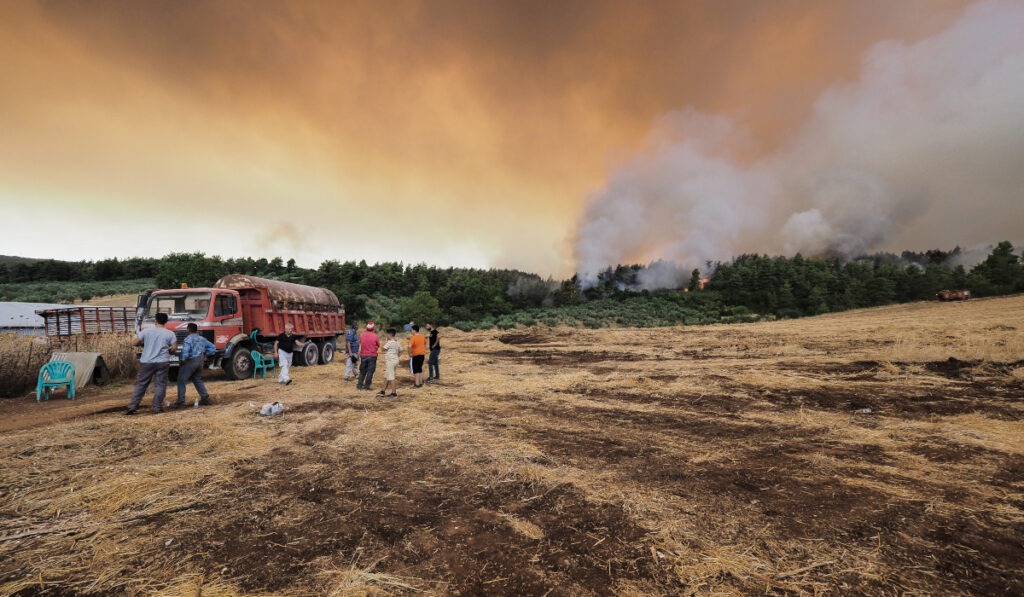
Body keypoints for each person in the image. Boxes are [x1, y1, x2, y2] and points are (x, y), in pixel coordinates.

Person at [127, 312, 177, 415]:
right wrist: (170, 351)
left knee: (141, 384)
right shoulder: (170, 333)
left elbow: (135, 343)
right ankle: (157, 407)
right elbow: (174, 348)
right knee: (160, 385)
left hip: (147, 362)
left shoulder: (146, 331)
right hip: (162, 362)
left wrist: (144, 343)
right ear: (166, 322)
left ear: (155, 321)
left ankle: (132, 406)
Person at [175, 323, 215, 408]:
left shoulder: (188, 339)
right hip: (200, 360)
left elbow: (186, 351)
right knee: (197, 379)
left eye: (187, 329)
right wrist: (206, 354)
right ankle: (205, 398)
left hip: (191, 360)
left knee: (181, 380)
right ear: (196, 330)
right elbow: (212, 347)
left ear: (188, 329)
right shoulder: (202, 338)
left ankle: (180, 402)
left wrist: (182, 360)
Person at [357, 321, 380, 390]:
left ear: (366, 328)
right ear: (373, 328)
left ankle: (359, 385)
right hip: (372, 355)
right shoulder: (375, 336)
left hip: (363, 355)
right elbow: (378, 345)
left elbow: (360, 344)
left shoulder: (361, 335)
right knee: (370, 371)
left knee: (362, 371)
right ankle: (367, 386)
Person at [378, 328, 401, 398]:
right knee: (387, 375)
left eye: (386, 334)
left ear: (389, 335)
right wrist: (397, 356)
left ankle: (394, 393)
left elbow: (382, 349)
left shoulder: (389, 342)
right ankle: (383, 390)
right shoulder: (396, 342)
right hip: (395, 360)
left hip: (390, 361)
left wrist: (385, 341)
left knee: (391, 377)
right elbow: (401, 349)